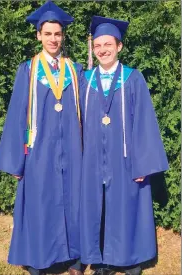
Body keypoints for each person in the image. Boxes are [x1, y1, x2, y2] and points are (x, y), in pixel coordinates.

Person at [0, 1, 83, 275]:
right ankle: (39, 259)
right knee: (40, 201)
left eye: (57, 34)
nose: (53, 39)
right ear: (38, 36)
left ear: (63, 36)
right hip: (40, 149)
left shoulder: (75, 71)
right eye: (48, 34)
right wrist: (15, 160)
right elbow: (17, 113)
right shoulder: (28, 70)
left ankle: (74, 257)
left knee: (73, 200)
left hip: (71, 149)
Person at [80, 16, 169, 275]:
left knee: (127, 205)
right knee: (100, 207)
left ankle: (130, 259)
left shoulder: (133, 79)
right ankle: (104, 261)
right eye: (98, 45)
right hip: (93, 159)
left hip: (125, 158)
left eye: (108, 44)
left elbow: (145, 123)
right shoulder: (85, 80)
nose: (103, 49)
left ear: (119, 46)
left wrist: (144, 162)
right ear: (93, 49)